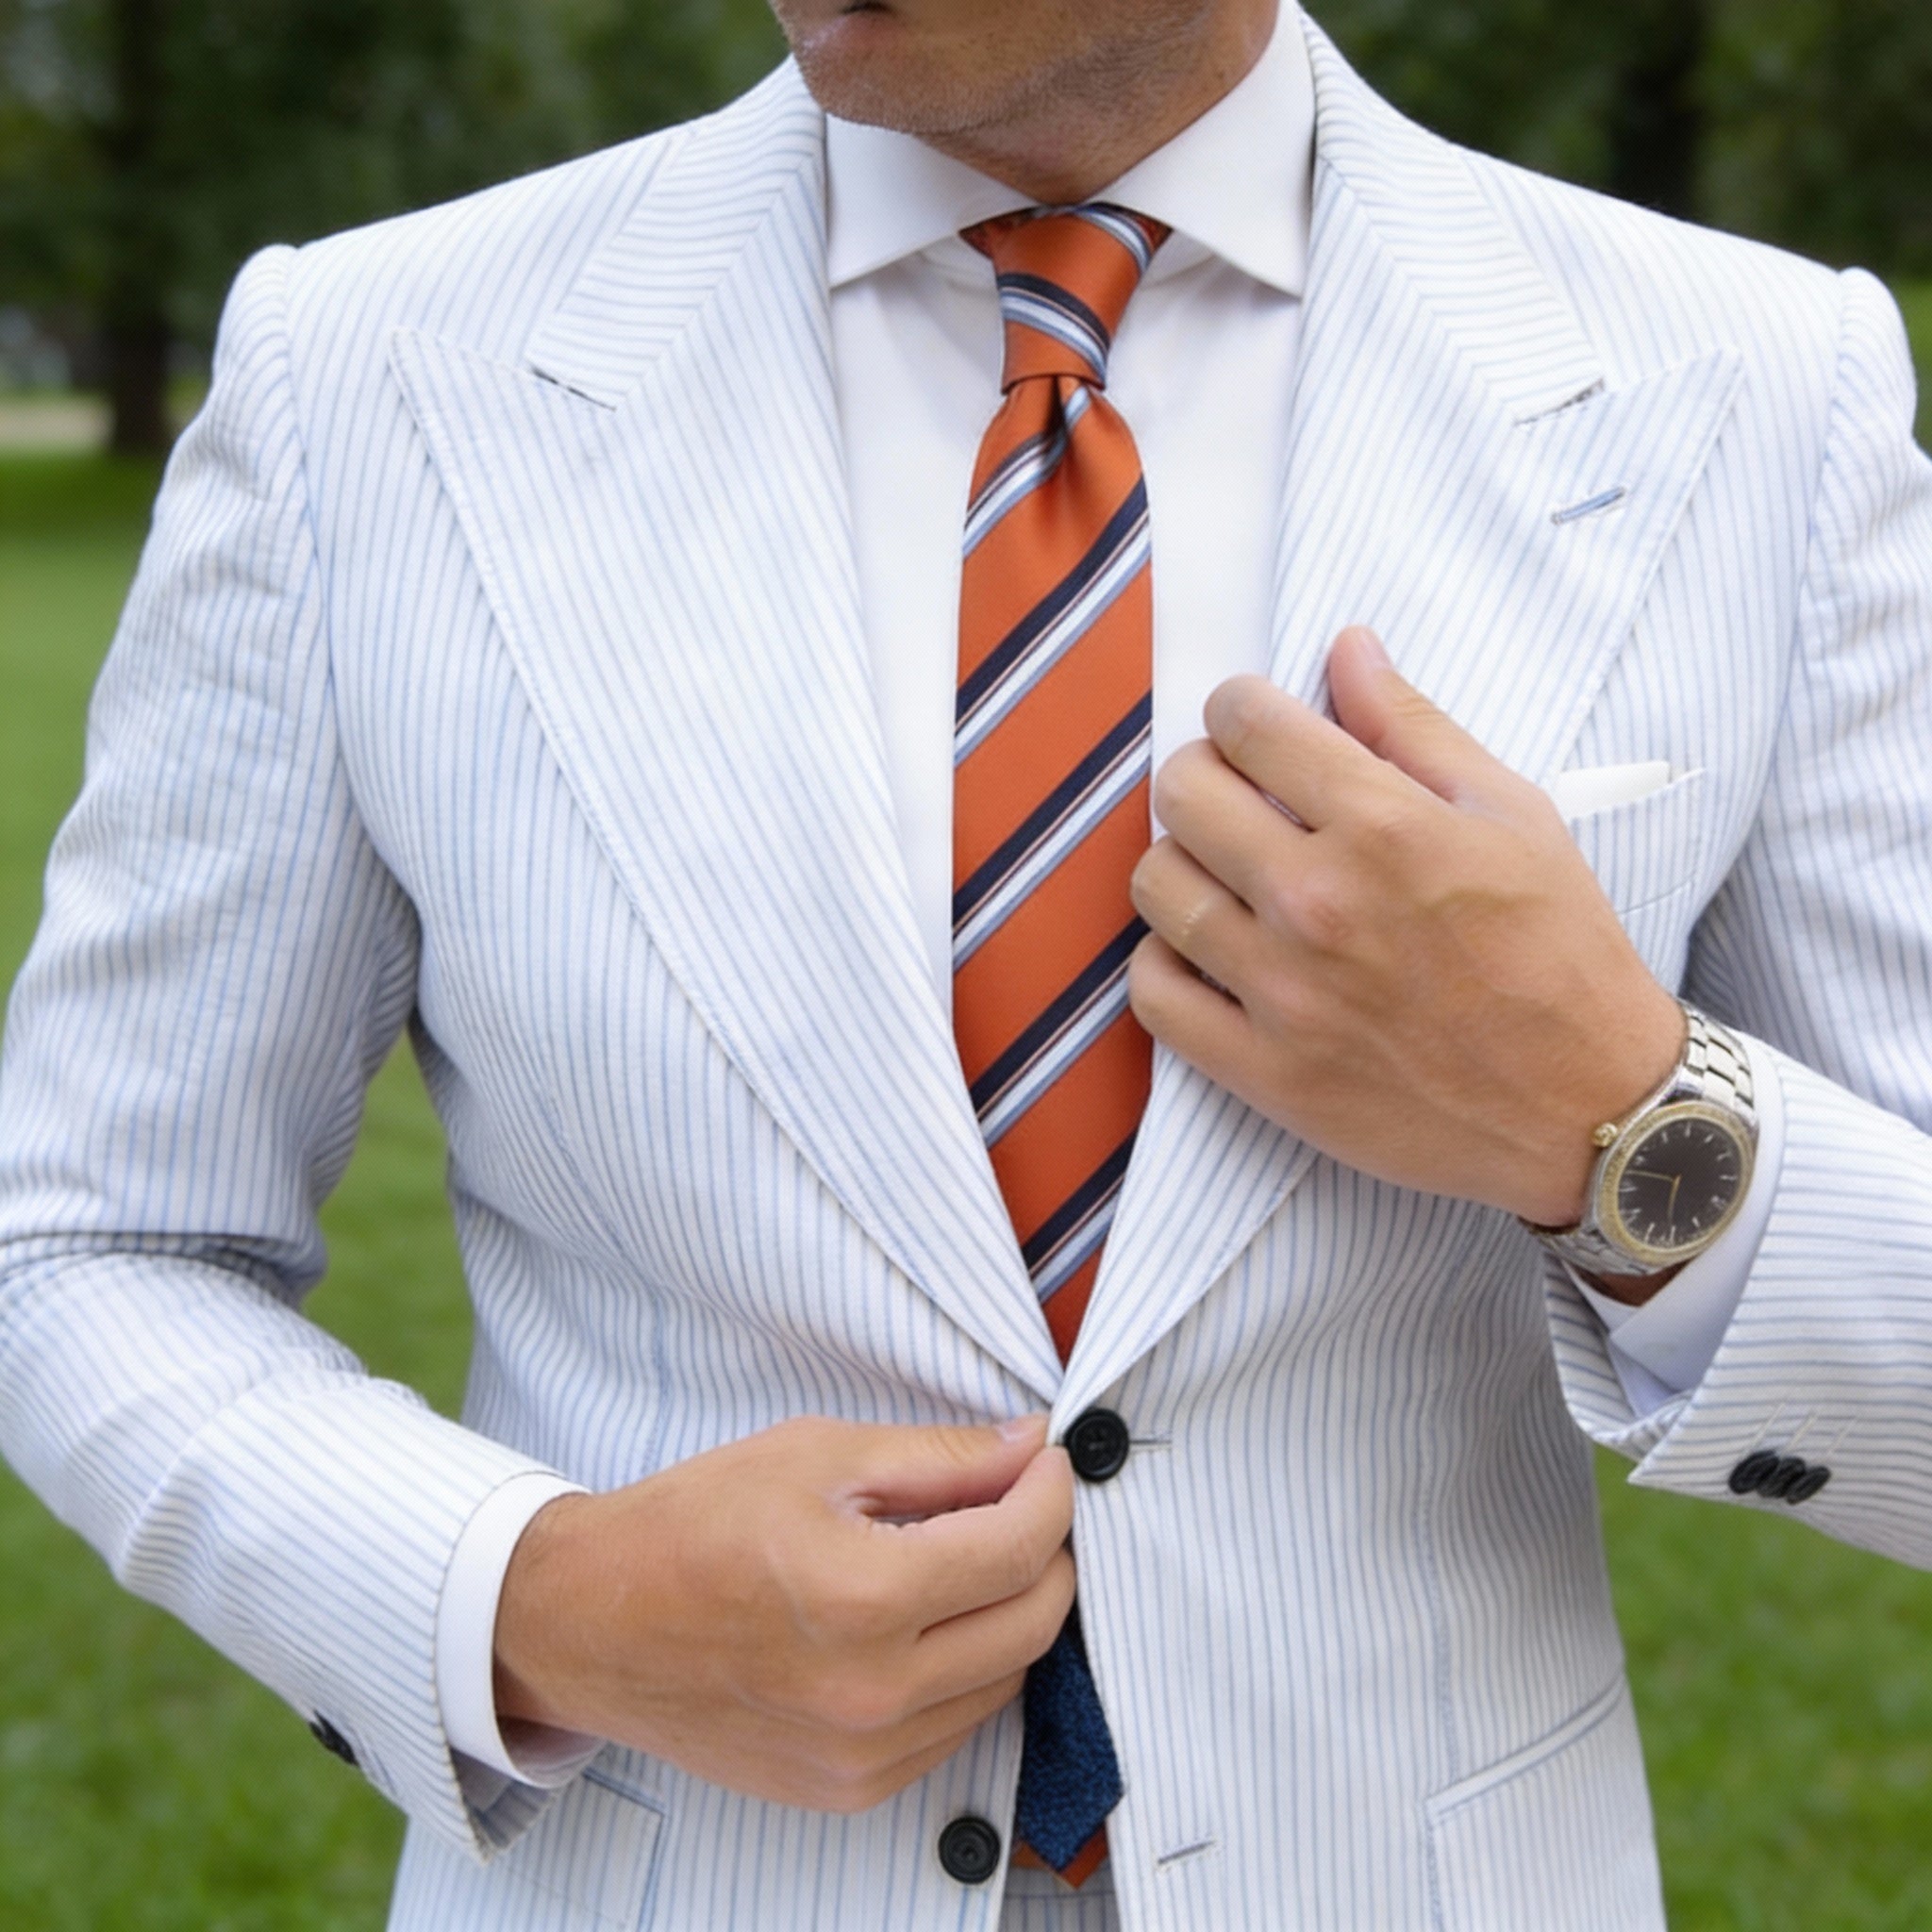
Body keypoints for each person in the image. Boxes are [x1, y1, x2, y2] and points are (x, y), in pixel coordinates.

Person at [2, 0, 1928, 1924]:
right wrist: (537, 1600)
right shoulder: (367, 379)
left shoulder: (1756, 389)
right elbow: (87, 1241)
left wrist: (1627, 1125)